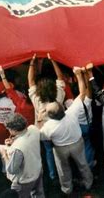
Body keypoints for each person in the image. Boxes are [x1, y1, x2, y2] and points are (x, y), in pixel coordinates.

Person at [39, 67, 93, 194]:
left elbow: (42, 137)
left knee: (63, 169)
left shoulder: (47, 126)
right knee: (83, 164)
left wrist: (41, 119)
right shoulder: (72, 112)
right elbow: (82, 93)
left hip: (60, 149)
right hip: (77, 143)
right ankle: (88, 183)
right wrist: (79, 76)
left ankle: (67, 188)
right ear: (62, 108)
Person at [28, 53, 66, 181]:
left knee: (49, 151)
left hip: (44, 131)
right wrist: (53, 60)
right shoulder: (59, 95)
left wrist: (32, 62)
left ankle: (52, 174)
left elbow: (31, 81)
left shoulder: (36, 99)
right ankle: (64, 172)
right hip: (58, 129)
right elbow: (60, 77)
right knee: (60, 151)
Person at [0, 114, 44, 198]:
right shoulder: (33, 129)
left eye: (9, 129)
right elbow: (28, 142)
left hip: (24, 180)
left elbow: (12, 169)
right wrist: (14, 142)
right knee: (38, 194)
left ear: (14, 130)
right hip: (38, 170)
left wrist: (4, 154)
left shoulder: (18, 148)